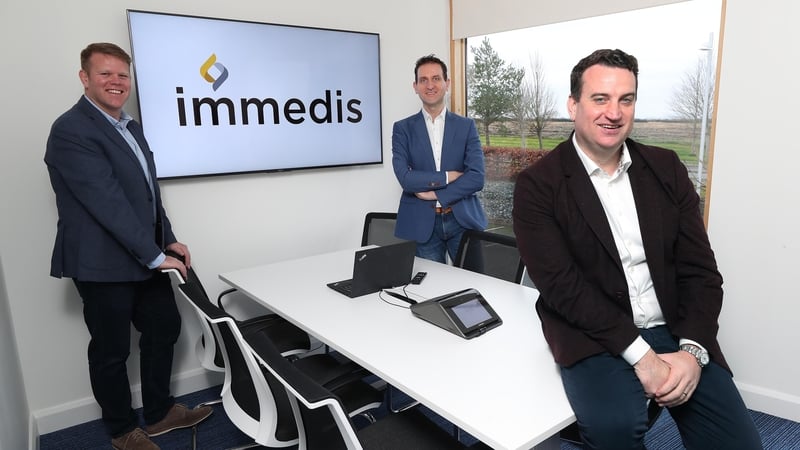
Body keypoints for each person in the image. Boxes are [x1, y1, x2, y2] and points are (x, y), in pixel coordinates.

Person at [512, 49, 763, 449]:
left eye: (625, 99)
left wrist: (692, 353)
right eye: (600, 99)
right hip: (594, 333)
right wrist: (642, 357)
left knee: (740, 443)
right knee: (615, 430)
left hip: (677, 329)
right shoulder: (538, 185)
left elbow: (701, 272)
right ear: (573, 105)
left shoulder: (666, 168)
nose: (614, 112)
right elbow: (564, 289)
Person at [45, 43, 212, 450]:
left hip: (145, 257)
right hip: (102, 263)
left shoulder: (129, 126)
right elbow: (108, 203)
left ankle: (158, 414)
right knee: (111, 351)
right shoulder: (71, 130)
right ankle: (122, 431)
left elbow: (147, 194)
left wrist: (168, 238)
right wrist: (158, 257)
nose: (116, 82)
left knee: (164, 329)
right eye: (105, 74)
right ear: (85, 78)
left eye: (122, 75)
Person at [392, 54, 487, 263]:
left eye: (436, 78)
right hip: (422, 223)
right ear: (415, 86)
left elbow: (477, 178)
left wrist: (436, 194)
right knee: (430, 289)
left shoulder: (466, 126)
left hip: (462, 219)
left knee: (475, 286)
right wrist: (447, 176)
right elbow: (406, 179)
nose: (430, 85)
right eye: (423, 80)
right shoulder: (402, 129)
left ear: (447, 83)